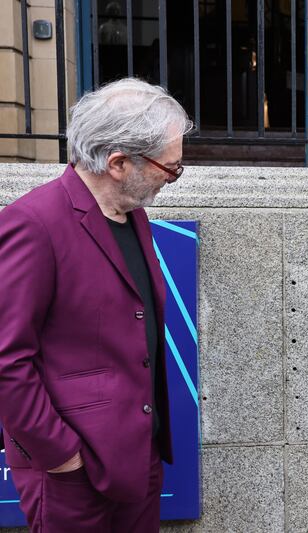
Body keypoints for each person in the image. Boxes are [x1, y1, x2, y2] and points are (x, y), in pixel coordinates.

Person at [0, 78, 192, 532]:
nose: (173, 177)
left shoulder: (132, 214)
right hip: (74, 474)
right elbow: (7, 360)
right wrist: (62, 457)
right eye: (170, 168)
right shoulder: (33, 224)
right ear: (119, 163)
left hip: (139, 460)